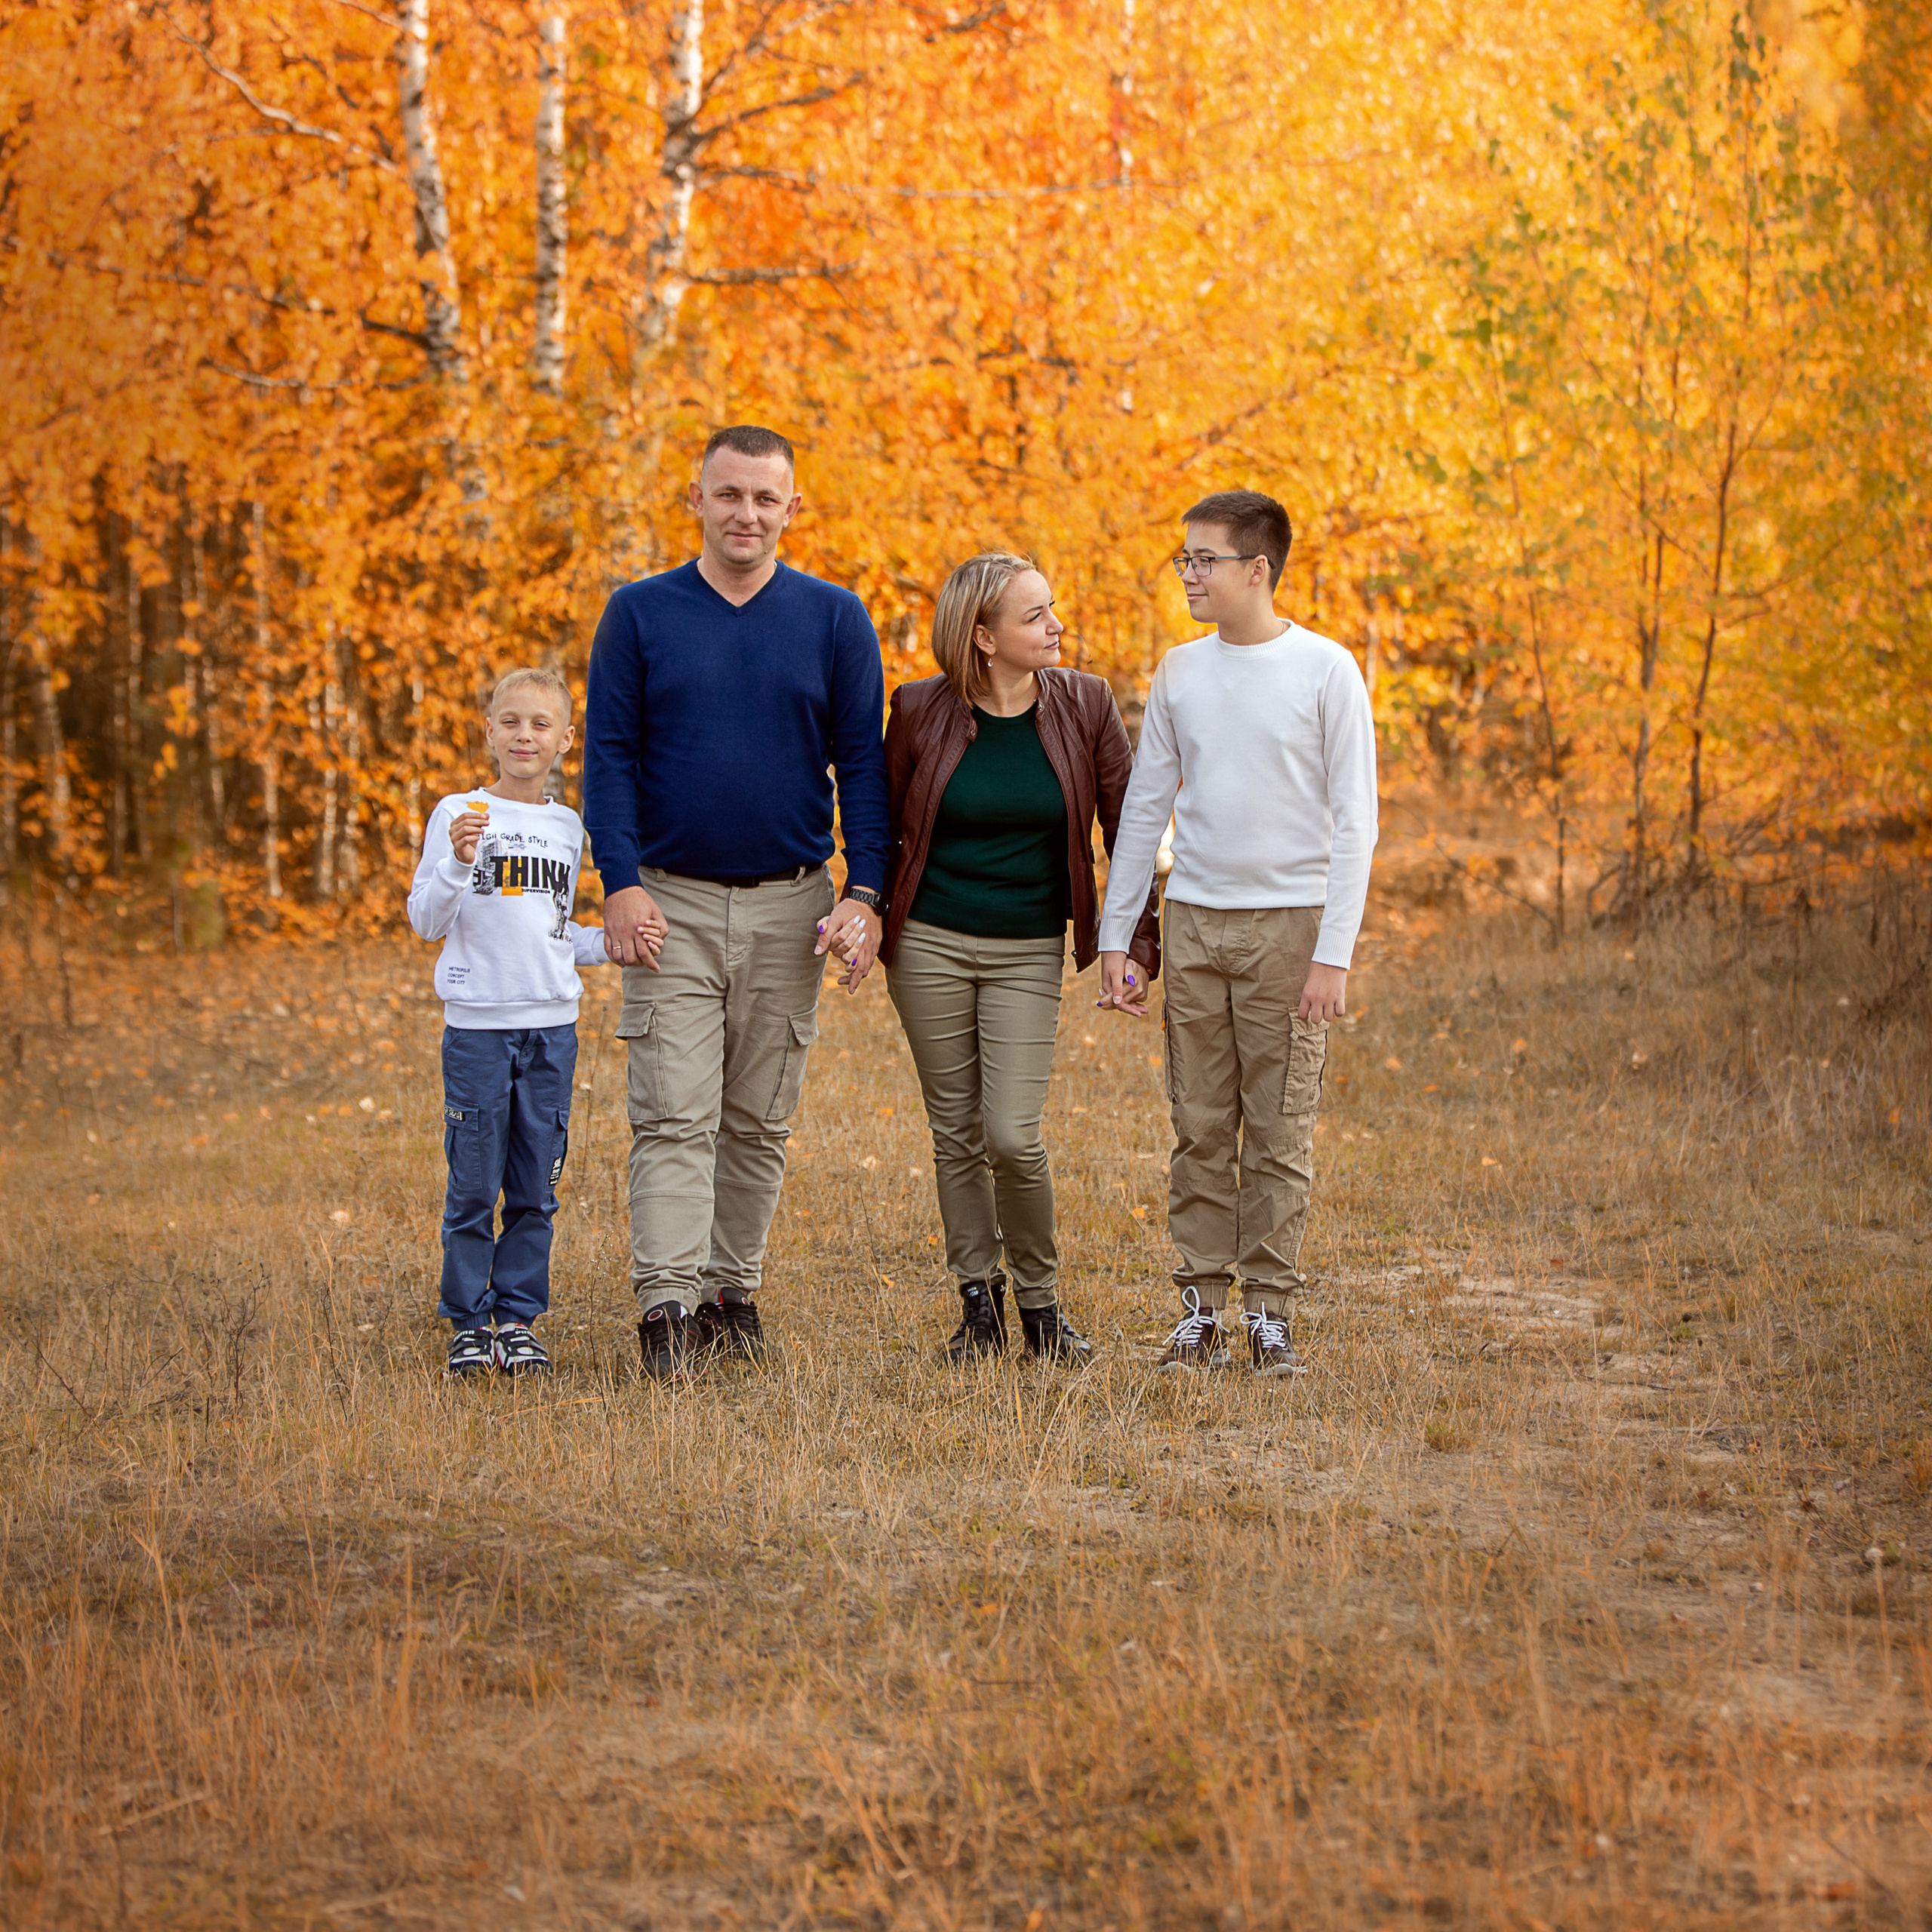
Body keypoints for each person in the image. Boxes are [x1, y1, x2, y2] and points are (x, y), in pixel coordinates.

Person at [583, 425, 888, 1382]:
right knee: (674, 1115)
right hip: (665, 904)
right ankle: (666, 1307)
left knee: (758, 1120)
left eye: (764, 498)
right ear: (697, 499)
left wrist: (865, 891)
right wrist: (619, 881)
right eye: (728, 494)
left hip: (790, 906)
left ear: (791, 508)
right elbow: (609, 759)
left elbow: (864, 766)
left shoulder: (835, 619)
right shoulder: (638, 614)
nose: (745, 514)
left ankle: (729, 1294)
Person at [1095, 490, 1378, 1377]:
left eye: (1204, 559)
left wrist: (1332, 954)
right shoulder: (1180, 671)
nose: (1188, 573)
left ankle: (1269, 1316)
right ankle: (1200, 1311)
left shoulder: (1326, 670)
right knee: (1200, 1126)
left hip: (1290, 931)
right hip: (1194, 926)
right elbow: (1145, 810)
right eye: (1183, 558)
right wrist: (1117, 936)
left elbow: (1356, 823)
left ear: (1257, 569)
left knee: (1279, 1131)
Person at [881, 553, 1161, 1364]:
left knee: (1012, 1134)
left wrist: (1135, 943)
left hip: (1028, 946)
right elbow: (883, 826)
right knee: (956, 1132)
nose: (1055, 626)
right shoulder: (917, 709)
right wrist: (862, 907)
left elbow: (1129, 830)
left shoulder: (1086, 703)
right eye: (1034, 615)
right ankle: (978, 1304)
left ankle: (1040, 1304)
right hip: (928, 943)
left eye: (1051, 608)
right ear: (982, 636)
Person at [406, 667, 611, 1379]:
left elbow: (554, 931)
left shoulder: (567, 827)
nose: (526, 736)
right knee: (472, 1184)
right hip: (479, 1031)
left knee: (535, 1186)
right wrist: (459, 862)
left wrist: (611, 944)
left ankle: (518, 1320)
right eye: (512, 722)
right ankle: (469, 1322)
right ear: (489, 731)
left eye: (541, 725)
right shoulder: (459, 812)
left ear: (565, 740)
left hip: (552, 1032)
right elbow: (426, 920)